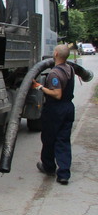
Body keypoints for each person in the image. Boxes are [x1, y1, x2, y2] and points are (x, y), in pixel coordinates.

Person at [32, 44, 75, 185]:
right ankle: (63, 174)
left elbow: (57, 94)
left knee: (49, 139)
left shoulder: (54, 74)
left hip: (56, 109)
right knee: (63, 140)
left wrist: (40, 87)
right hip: (68, 108)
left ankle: (49, 167)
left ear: (56, 54)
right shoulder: (70, 69)